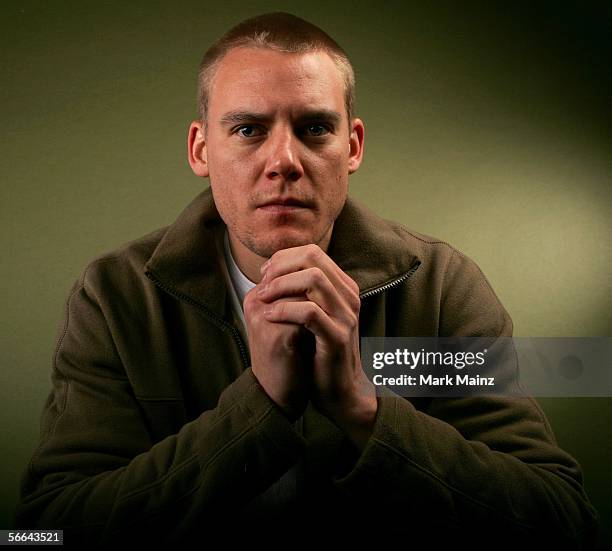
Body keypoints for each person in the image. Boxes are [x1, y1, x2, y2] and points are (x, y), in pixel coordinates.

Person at [16, 12, 598, 548]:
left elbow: (560, 520)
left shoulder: (442, 287)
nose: (284, 160)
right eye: (247, 129)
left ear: (352, 146)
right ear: (200, 149)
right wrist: (259, 407)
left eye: (315, 128)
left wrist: (361, 407)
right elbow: (44, 534)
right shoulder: (117, 298)